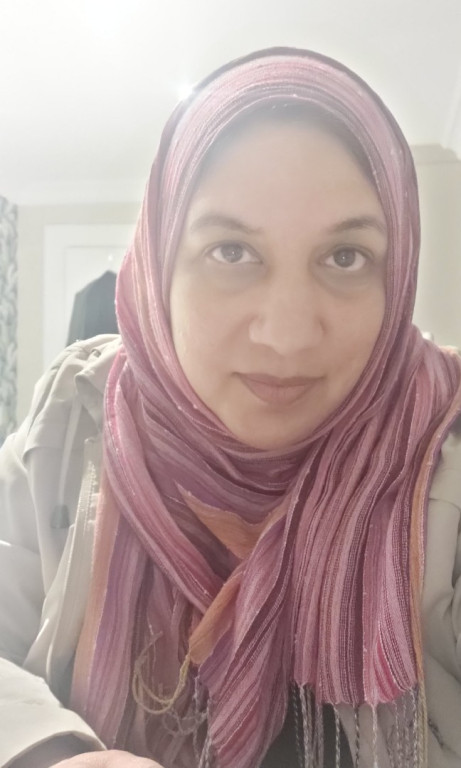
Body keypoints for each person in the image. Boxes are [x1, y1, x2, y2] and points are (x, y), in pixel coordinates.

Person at [1, 47, 461, 768]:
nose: (285, 334)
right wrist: (49, 752)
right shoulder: (73, 416)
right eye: (231, 251)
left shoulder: (446, 440)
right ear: (160, 266)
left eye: (344, 257)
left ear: (395, 271)